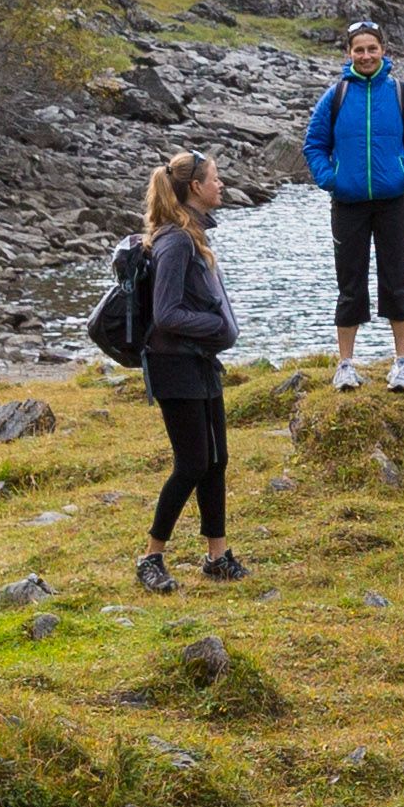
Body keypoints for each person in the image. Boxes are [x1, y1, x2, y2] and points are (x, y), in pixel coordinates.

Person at [305, 17, 404, 390]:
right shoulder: (336, 96)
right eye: (359, 50)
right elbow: (314, 144)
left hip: (394, 201)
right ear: (349, 54)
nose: (365, 55)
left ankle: (401, 362)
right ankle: (345, 364)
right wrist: (330, 179)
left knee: (396, 281)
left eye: (371, 49)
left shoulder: (401, 93)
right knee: (349, 285)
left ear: (383, 51)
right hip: (347, 204)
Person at [133, 150, 243, 591]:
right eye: (215, 179)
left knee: (216, 459)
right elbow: (166, 314)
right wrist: (215, 326)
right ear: (195, 188)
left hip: (198, 361)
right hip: (174, 365)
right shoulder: (176, 241)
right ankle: (150, 557)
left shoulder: (193, 234)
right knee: (192, 463)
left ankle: (217, 556)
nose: (221, 185)